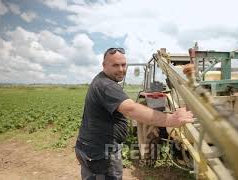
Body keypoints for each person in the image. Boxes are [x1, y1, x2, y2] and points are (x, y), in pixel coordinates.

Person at [75, 47, 193, 180]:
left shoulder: (102, 81)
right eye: (115, 65)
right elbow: (130, 109)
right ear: (104, 65)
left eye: (123, 65)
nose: (121, 69)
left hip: (92, 149)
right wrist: (171, 120)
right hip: (99, 153)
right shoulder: (106, 85)